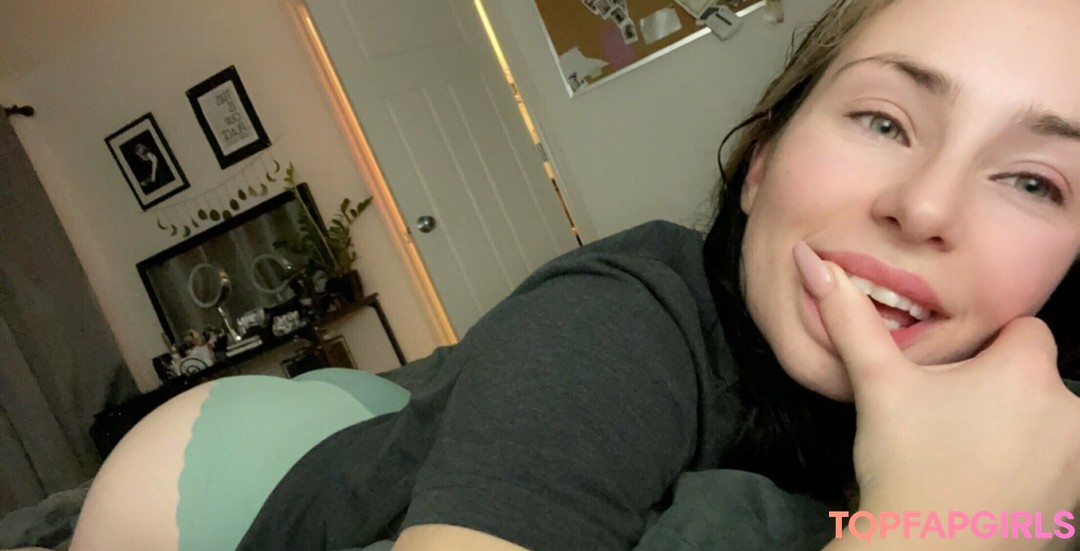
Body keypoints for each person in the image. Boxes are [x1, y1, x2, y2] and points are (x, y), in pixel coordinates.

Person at [71, 0, 1080, 549]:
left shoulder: (1038, 405)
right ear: (760, 160)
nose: (927, 205)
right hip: (211, 474)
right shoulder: (610, 328)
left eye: (1034, 181)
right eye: (883, 120)